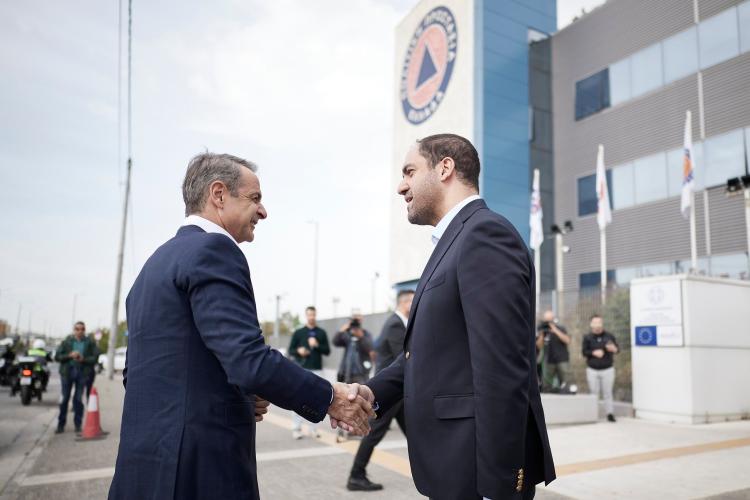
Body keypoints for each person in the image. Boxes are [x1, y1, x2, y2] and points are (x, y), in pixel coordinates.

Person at [109, 153, 374, 500]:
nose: (263, 211)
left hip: (141, 469)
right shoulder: (214, 250)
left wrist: (236, 395)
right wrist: (331, 397)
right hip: (198, 472)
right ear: (219, 194)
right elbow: (249, 359)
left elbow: (146, 375)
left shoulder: (152, 267)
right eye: (255, 198)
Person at [361, 134, 556, 499]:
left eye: (409, 171)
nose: (401, 186)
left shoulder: (484, 234)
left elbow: (502, 368)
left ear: (445, 168)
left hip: (477, 476)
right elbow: (427, 352)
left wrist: (497, 487)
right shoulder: (455, 240)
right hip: (453, 468)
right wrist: (369, 394)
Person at [347, 289, 413, 492]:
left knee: (415, 432)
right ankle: (356, 475)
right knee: (373, 434)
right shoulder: (395, 324)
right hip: (389, 392)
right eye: (413, 300)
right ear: (404, 303)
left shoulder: (398, 323)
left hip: (396, 393)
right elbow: (406, 357)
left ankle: (435, 469)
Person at [288, 306, 330, 439]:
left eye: (313, 314)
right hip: (301, 369)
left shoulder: (321, 332)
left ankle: (314, 429)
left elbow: (327, 351)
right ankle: (296, 429)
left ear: (315, 315)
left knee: (317, 400)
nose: (311, 317)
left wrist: (317, 345)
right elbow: (290, 350)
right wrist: (299, 351)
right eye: (309, 315)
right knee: (298, 398)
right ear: (306, 316)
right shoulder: (299, 332)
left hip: (317, 369)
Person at [333, 314, 375, 442]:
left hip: (361, 374)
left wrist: (360, 336)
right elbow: (335, 341)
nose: (355, 324)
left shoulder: (365, 334)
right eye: (354, 321)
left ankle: (360, 430)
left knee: (361, 402)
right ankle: (344, 430)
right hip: (346, 373)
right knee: (344, 400)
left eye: (357, 321)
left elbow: (370, 348)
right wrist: (344, 328)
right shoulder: (347, 335)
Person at [55, 321, 98, 433]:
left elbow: (95, 358)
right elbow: (57, 356)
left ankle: (78, 424)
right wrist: (69, 355)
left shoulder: (89, 342)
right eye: (77, 329)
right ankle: (60, 425)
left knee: (78, 399)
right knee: (65, 398)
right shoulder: (67, 341)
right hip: (67, 372)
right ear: (74, 330)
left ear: (84, 330)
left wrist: (83, 359)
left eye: (82, 329)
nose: (80, 331)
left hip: (82, 372)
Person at [582, 314, 620, 422]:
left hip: (607, 369)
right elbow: (584, 352)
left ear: (602, 323)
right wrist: (594, 353)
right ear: (591, 324)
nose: (597, 325)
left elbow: (617, 349)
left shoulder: (609, 336)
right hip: (592, 369)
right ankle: (593, 415)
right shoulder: (587, 337)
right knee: (594, 393)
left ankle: (610, 414)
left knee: (608, 392)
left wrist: (614, 349)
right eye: (595, 322)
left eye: (599, 322)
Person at [535, 310, 571, 392]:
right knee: (546, 385)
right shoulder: (541, 329)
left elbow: (567, 340)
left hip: (562, 359)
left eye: (550, 320)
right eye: (546, 320)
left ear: (553, 319)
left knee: (566, 382)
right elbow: (538, 346)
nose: (548, 323)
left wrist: (555, 330)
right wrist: (542, 334)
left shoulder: (560, 328)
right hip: (548, 360)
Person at [84, 334, 101, 399]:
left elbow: (96, 356)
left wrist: (84, 359)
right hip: (83, 370)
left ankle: (88, 400)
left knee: (88, 388)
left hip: (89, 370)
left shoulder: (92, 344)